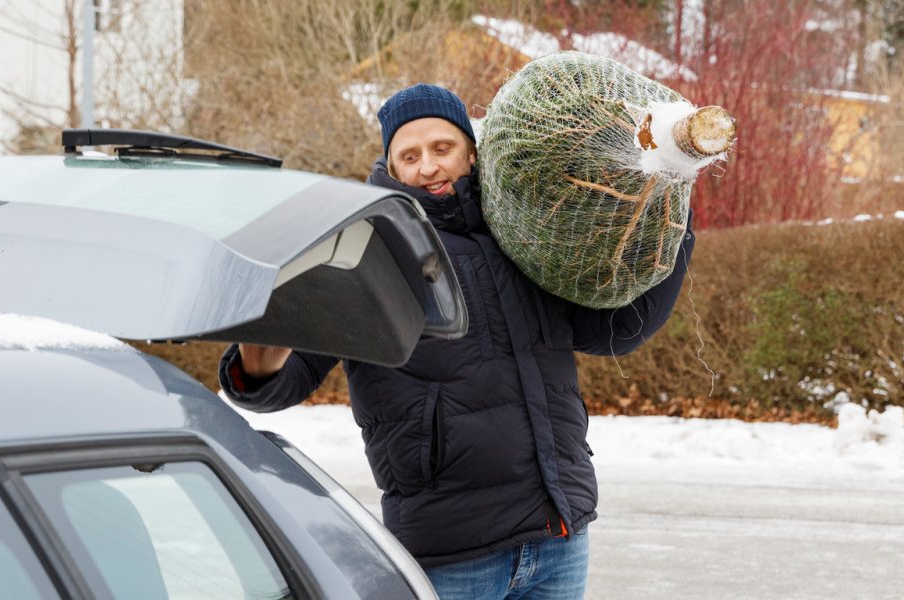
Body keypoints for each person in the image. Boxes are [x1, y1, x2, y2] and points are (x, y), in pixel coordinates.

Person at [219, 83, 695, 599]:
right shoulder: (370, 249)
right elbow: (276, 385)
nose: (428, 167)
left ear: (470, 151)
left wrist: (673, 224)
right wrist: (258, 363)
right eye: (410, 155)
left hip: (558, 532)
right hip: (453, 552)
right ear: (393, 167)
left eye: (441, 149)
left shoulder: (524, 235)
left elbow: (612, 331)